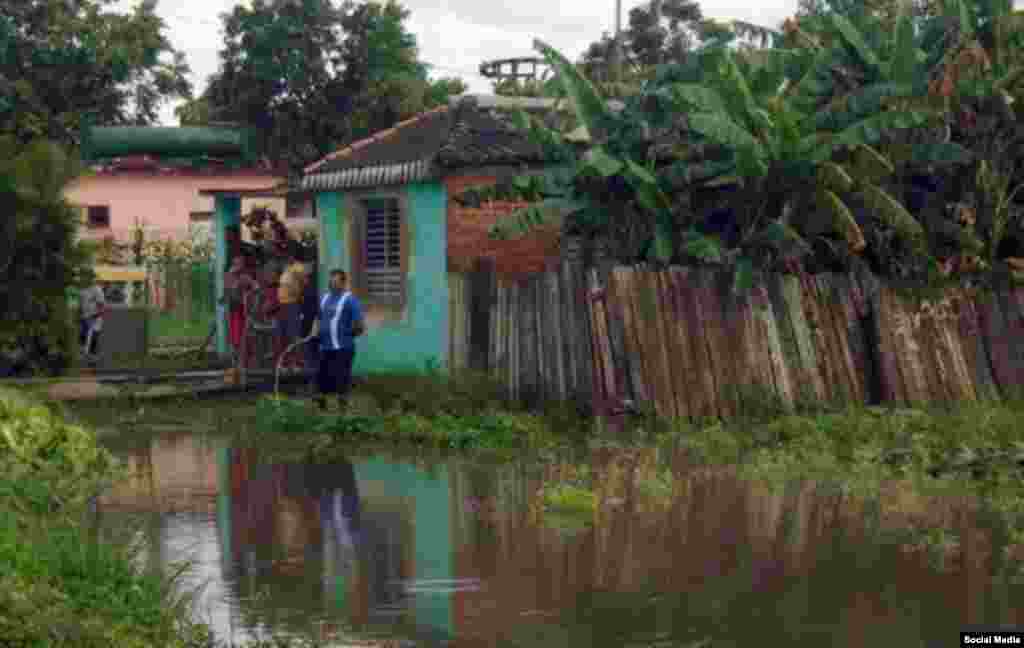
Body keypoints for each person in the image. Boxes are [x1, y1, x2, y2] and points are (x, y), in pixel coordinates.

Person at [310, 270, 365, 412]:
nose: (332, 283)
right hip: (325, 348)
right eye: (331, 281)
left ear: (343, 283)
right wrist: (314, 331)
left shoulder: (350, 300)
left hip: (343, 349)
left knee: (342, 379)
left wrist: (348, 336)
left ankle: (343, 410)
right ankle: (322, 410)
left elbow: (360, 325)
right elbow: (318, 318)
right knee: (321, 379)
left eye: (335, 281)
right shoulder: (324, 298)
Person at [224, 255, 259, 363]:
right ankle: (235, 361)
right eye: (235, 263)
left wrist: (249, 296)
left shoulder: (244, 277)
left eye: (239, 263)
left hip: (241, 311)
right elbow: (227, 292)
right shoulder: (229, 276)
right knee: (233, 338)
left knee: (242, 337)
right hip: (232, 310)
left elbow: (256, 288)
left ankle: (243, 361)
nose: (236, 266)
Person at [277, 258, 307, 373]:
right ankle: (285, 363)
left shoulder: (297, 267)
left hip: (292, 304)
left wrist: (298, 292)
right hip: (282, 304)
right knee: (283, 335)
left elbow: (304, 281)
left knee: (294, 335)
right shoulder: (286, 268)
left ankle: (297, 363)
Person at [299, 265, 321, 387]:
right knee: (310, 356)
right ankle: (312, 382)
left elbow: (316, 312)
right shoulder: (305, 290)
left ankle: (313, 383)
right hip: (307, 328)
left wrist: (314, 328)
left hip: (311, 329)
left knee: (311, 356)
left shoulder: (311, 291)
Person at [78, 280, 108, 367]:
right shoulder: (82, 290)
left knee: (94, 338)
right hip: (84, 318)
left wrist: (95, 316)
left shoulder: (97, 290)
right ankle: (85, 359)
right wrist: (80, 316)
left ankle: (93, 360)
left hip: (95, 319)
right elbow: (81, 305)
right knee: (82, 338)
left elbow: (102, 306)